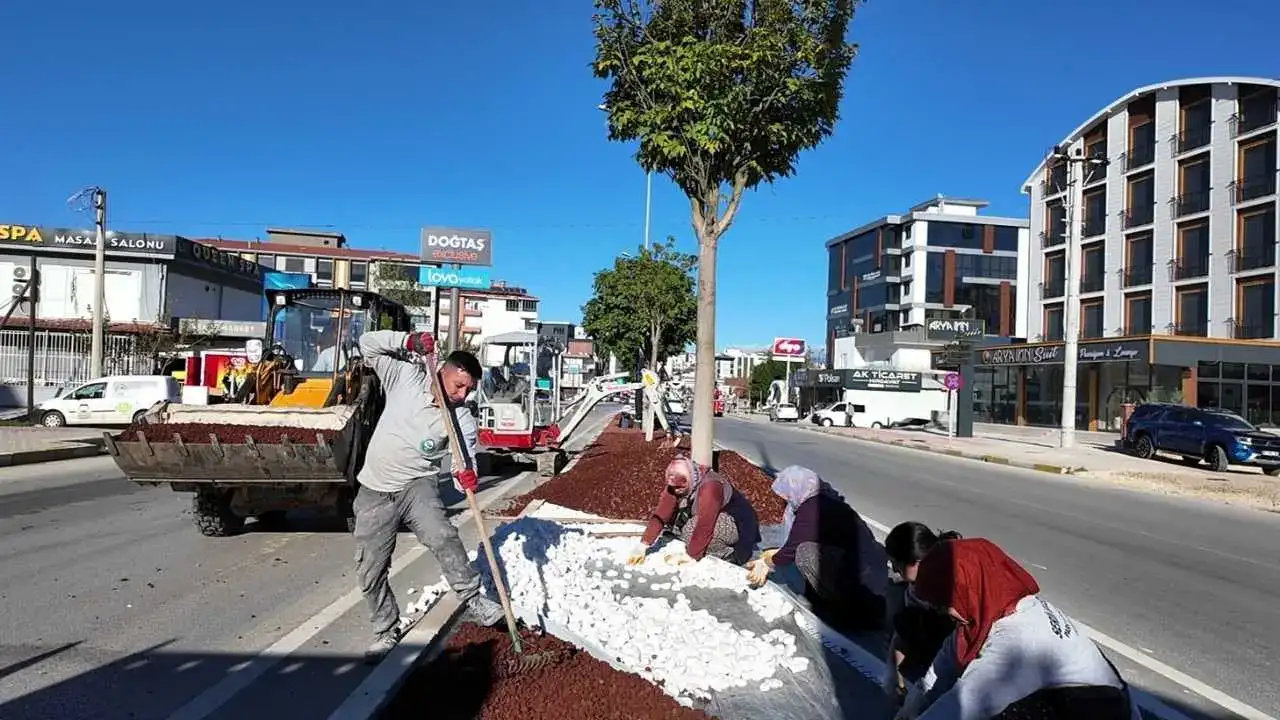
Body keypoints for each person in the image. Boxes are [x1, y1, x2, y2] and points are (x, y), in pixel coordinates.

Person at [352, 329, 505, 663]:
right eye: (458, 386)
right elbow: (367, 344)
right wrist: (407, 341)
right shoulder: (405, 377)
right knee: (370, 568)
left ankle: (471, 598)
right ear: (443, 372)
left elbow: (463, 460)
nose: (462, 395)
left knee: (443, 536)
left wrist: (467, 474)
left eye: (468, 390)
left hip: (418, 485)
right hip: (374, 489)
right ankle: (385, 629)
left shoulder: (461, 417)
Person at [895, 537, 1138, 720]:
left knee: (998, 712)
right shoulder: (989, 609)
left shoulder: (1019, 639)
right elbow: (939, 673)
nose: (941, 613)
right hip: (1071, 700)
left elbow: (962, 706)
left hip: (1101, 708)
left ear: (967, 591)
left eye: (942, 605)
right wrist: (908, 711)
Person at [746, 465, 888, 634]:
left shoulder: (813, 509)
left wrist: (766, 562)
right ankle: (844, 604)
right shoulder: (822, 499)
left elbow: (791, 550)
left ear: (797, 489)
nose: (787, 499)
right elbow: (795, 540)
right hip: (862, 567)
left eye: (788, 494)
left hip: (866, 580)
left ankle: (849, 612)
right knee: (804, 552)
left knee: (804, 554)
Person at [628, 456, 761, 566]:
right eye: (674, 487)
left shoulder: (710, 487)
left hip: (738, 524)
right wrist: (643, 545)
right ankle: (701, 548)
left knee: (691, 531)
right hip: (717, 517)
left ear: (689, 478)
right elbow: (661, 513)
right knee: (687, 531)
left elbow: (705, 524)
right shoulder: (675, 484)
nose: (677, 490)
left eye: (681, 487)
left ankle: (726, 553)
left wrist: (691, 556)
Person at [882, 522, 964, 700]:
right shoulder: (916, 586)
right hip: (939, 632)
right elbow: (903, 629)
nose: (895, 571)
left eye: (897, 565)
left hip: (963, 640)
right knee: (897, 599)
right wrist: (895, 677)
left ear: (917, 563)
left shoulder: (953, 581)